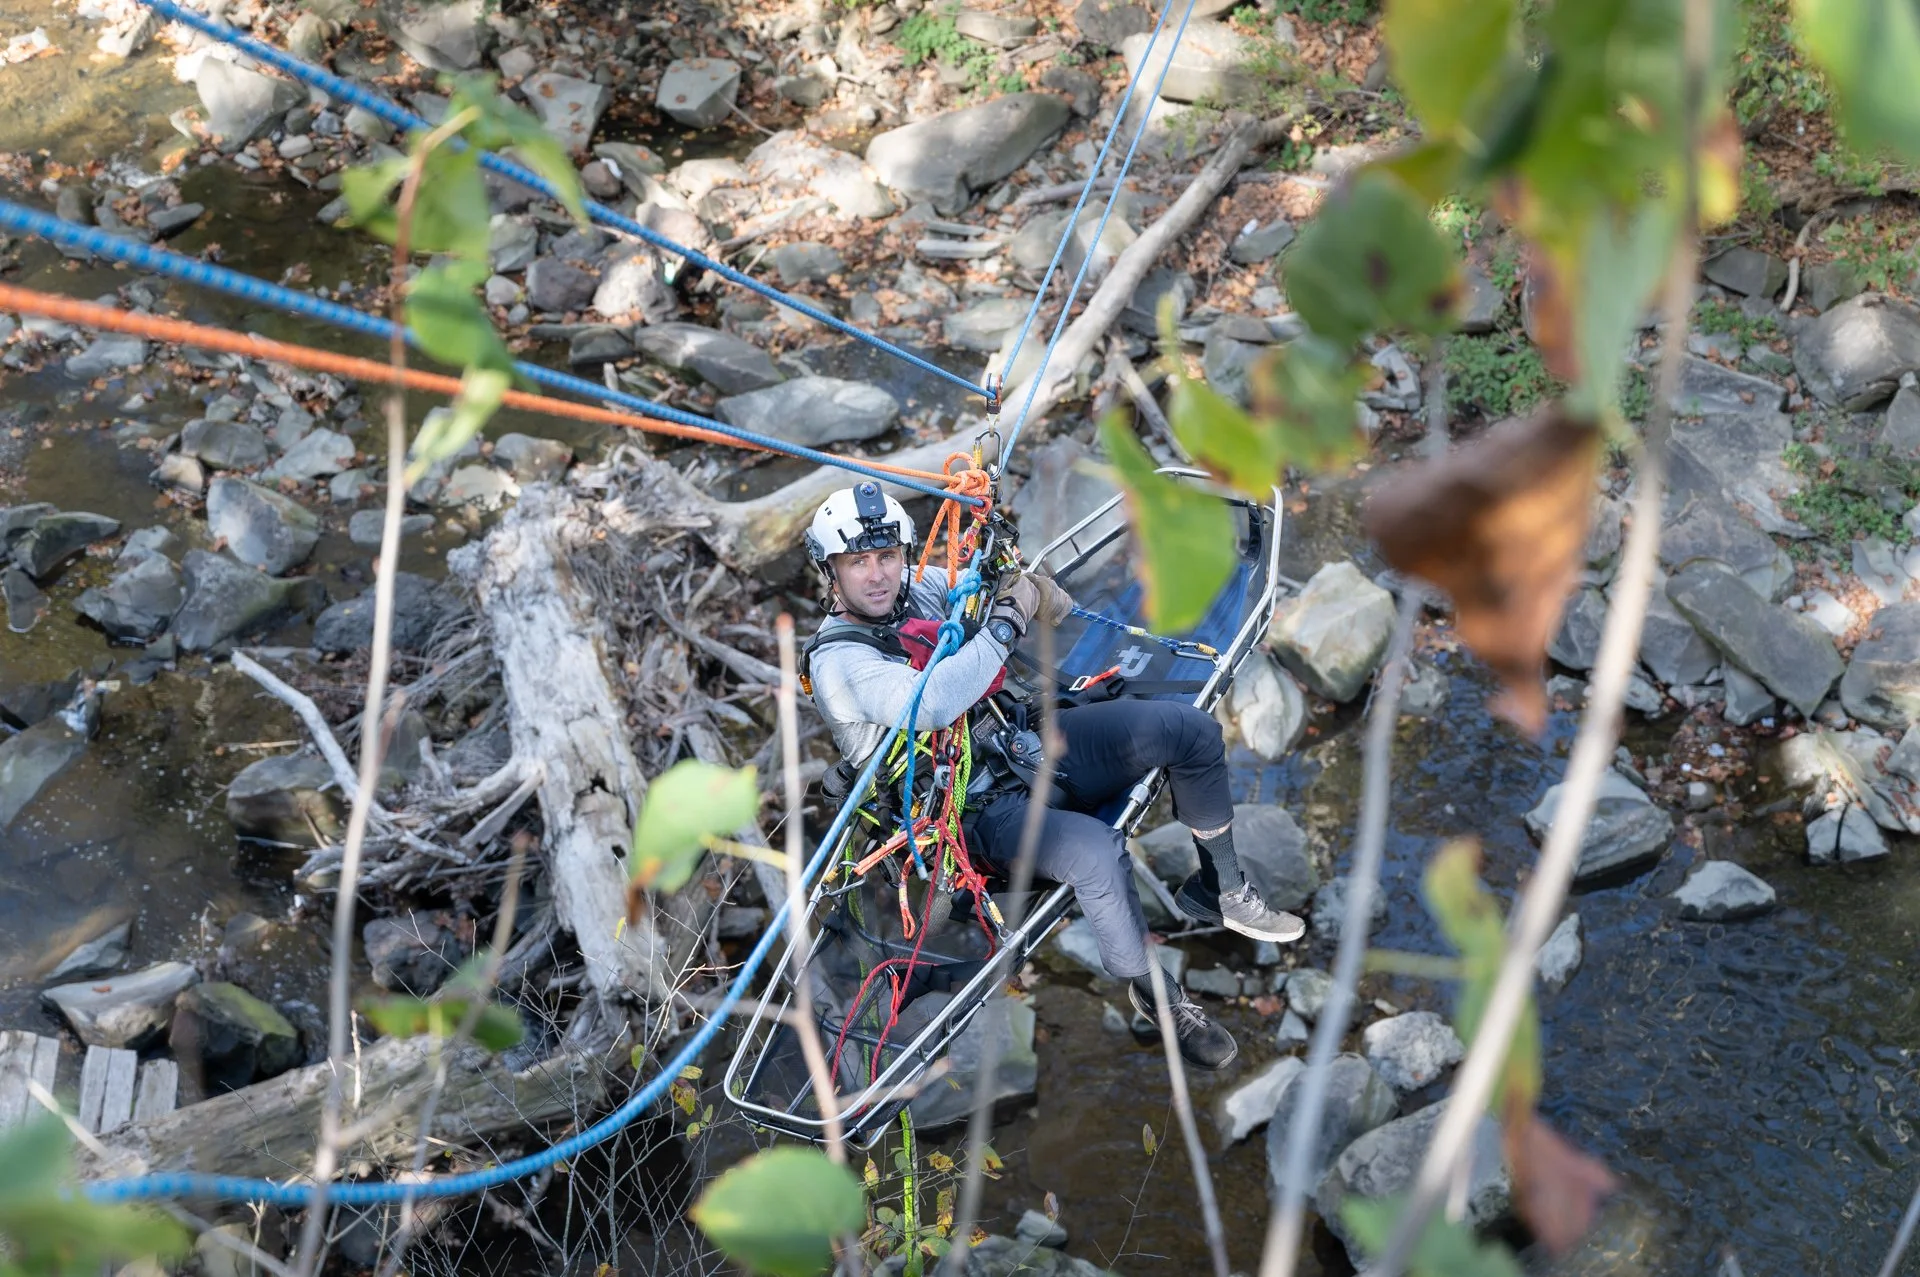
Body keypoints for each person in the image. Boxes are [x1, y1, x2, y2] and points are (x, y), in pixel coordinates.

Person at [801, 483, 1305, 1071]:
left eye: (887, 556)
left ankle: (1219, 888)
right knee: (1094, 850)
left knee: (1187, 730)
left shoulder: (924, 590)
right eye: (858, 562)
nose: (879, 574)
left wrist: (1017, 584)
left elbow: (988, 592)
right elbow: (933, 702)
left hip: (1027, 744)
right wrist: (1008, 622)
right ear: (830, 571)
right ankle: (1158, 997)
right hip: (970, 818)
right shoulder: (837, 661)